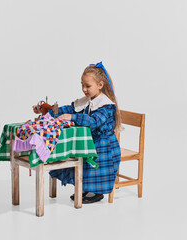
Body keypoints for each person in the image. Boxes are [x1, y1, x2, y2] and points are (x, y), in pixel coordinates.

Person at [32, 61, 121, 204]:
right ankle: (84, 187)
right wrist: (47, 110)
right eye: (82, 85)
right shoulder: (86, 101)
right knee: (76, 149)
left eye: (88, 86)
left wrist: (73, 117)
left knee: (88, 155)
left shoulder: (106, 106)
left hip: (104, 146)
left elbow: (93, 122)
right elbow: (68, 109)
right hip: (90, 141)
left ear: (100, 85)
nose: (84, 89)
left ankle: (95, 191)